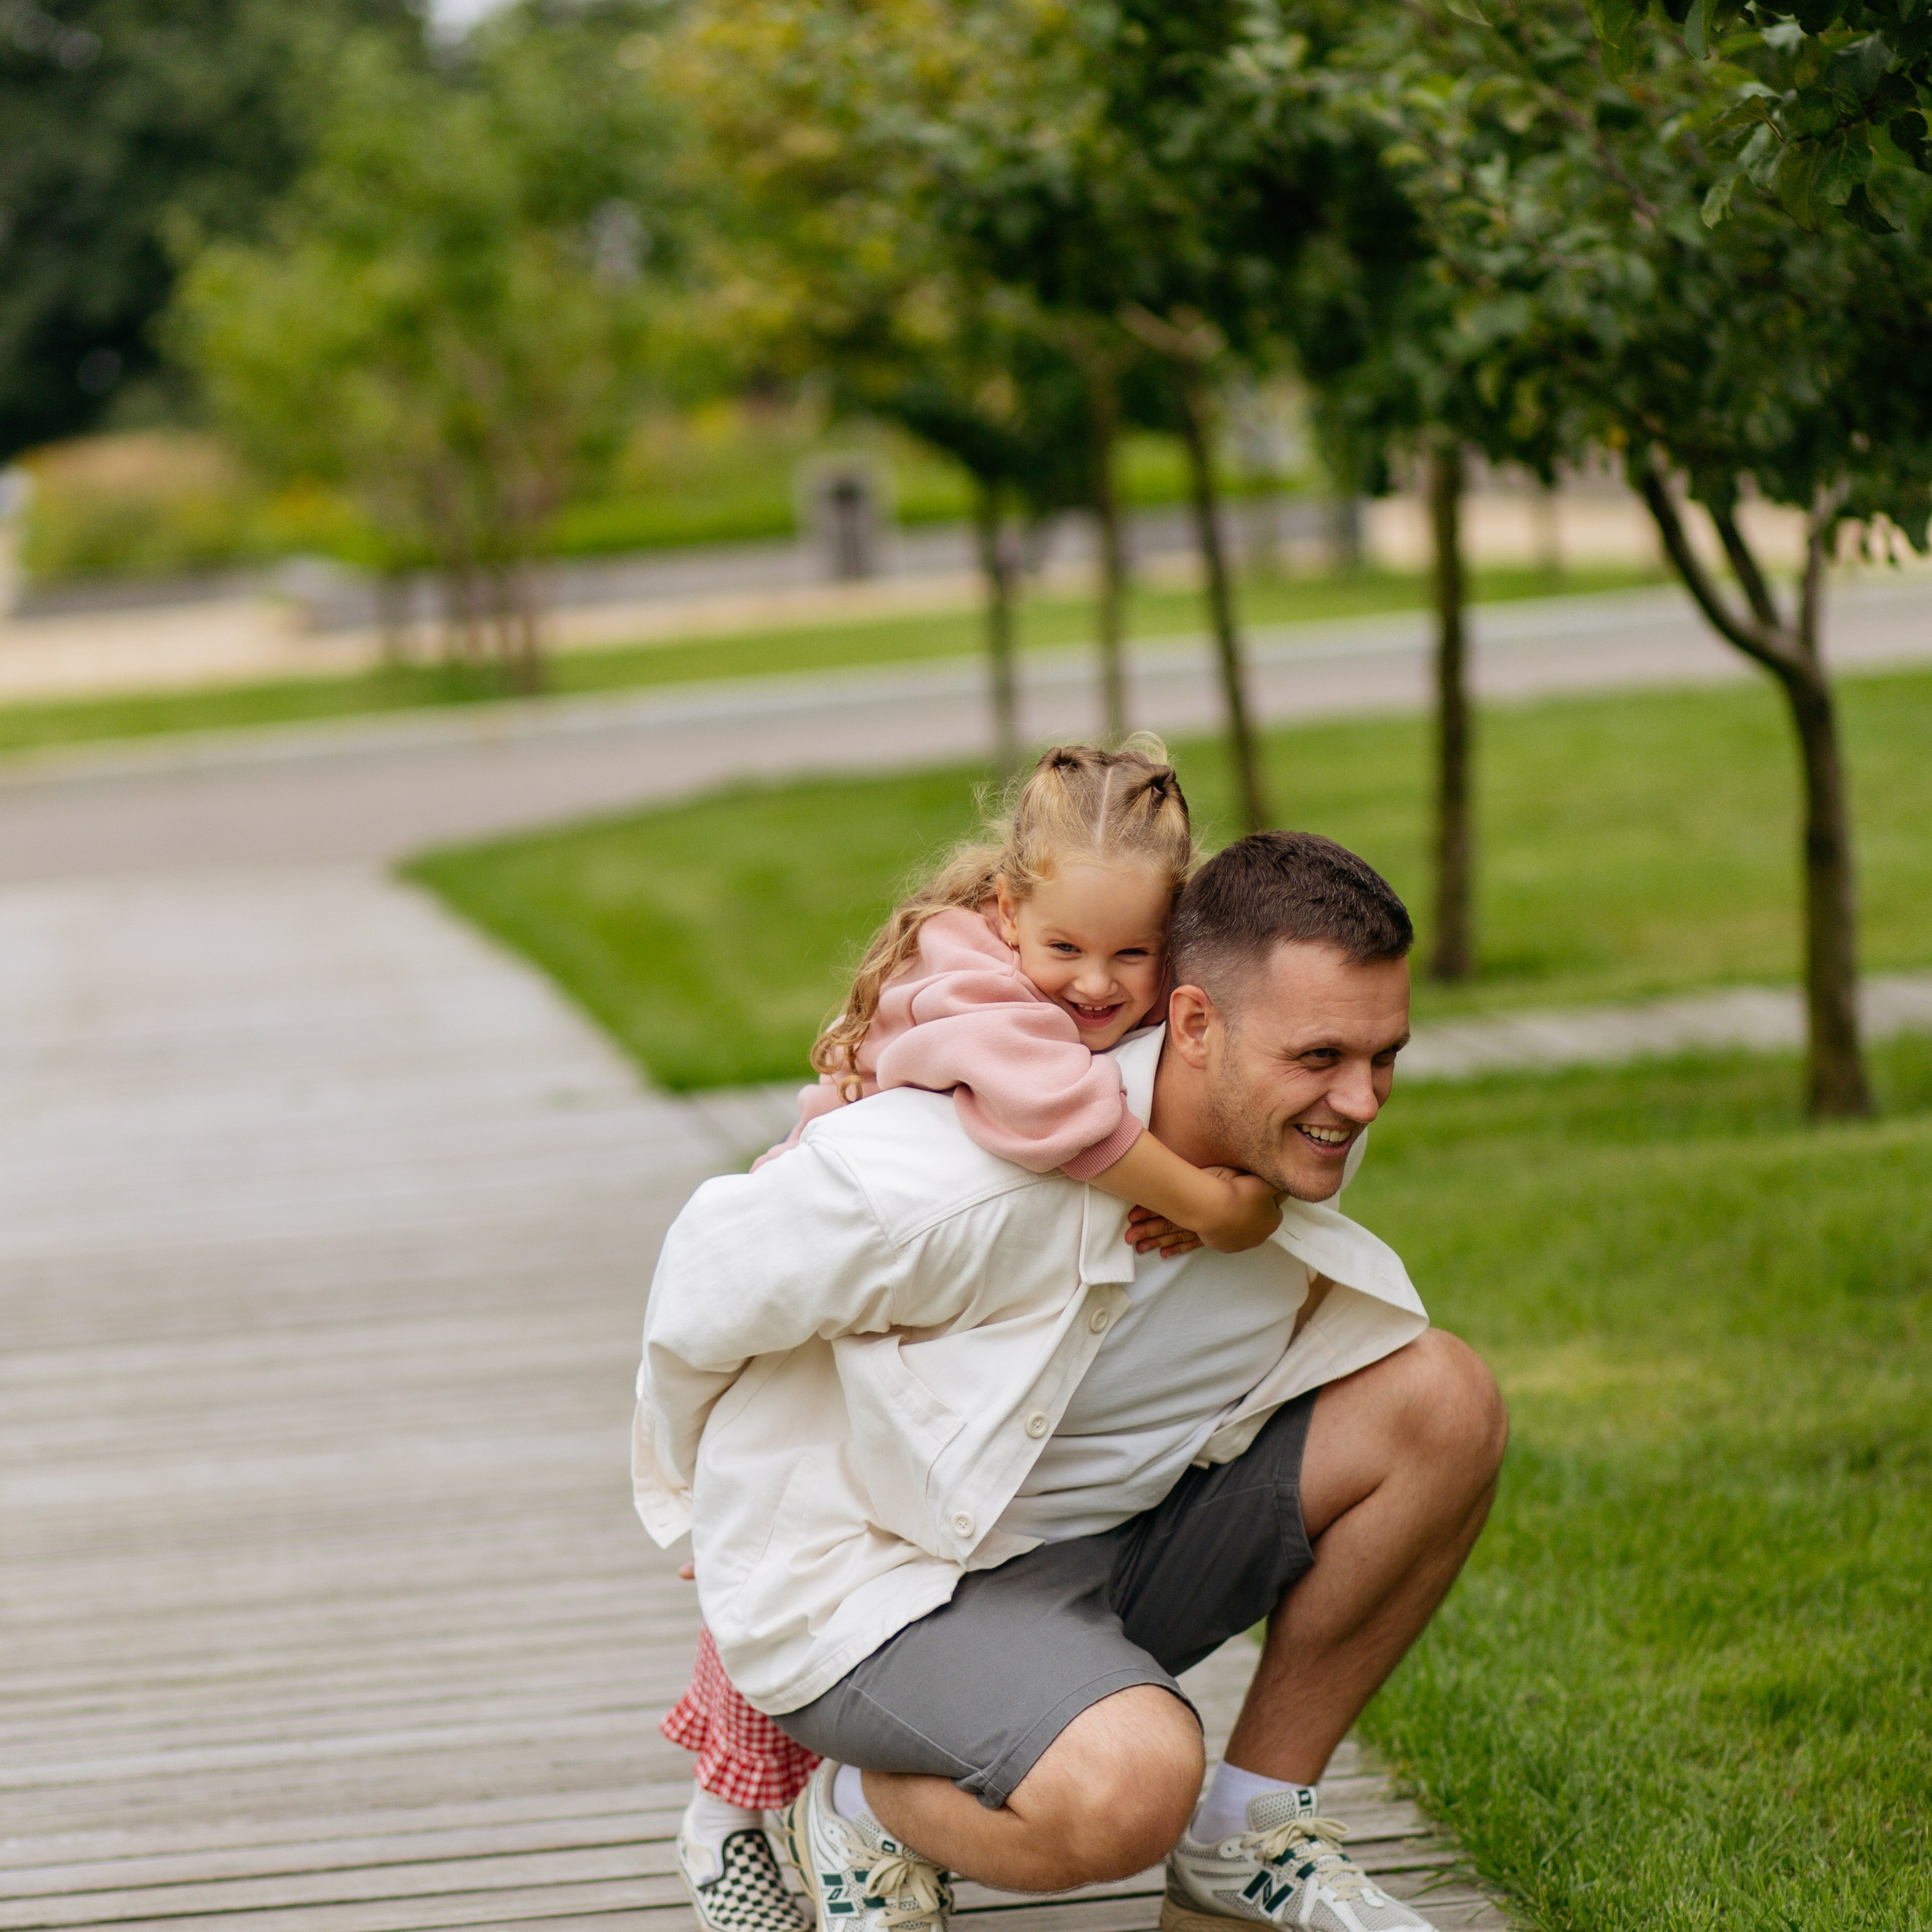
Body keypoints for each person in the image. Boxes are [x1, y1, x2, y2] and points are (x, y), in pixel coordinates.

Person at [635, 830, 1508, 1932]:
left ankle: (1245, 1837)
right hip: (888, 1596)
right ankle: (861, 1808)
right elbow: (706, 1276)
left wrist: (1225, 1200)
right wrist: (701, 1506)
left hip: (1103, 1545)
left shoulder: (1287, 1136)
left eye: (1386, 1056)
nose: (1365, 1100)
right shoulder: (953, 1179)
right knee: (1134, 1785)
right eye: (1323, 1057)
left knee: (1443, 1399)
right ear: (1195, 1025)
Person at [662, 740, 1287, 1921]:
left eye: (1132, 956)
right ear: (1008, 912)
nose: (1097, 987)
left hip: (926, 1326)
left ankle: (803, 1806)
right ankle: (728, 1821)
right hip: (838, 1295)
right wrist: (1208, 1201)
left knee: (846, 1540)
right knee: (782, 1552)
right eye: (1066, 950)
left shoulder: (1057, 976)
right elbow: (1051, 1106)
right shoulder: (974, 981)